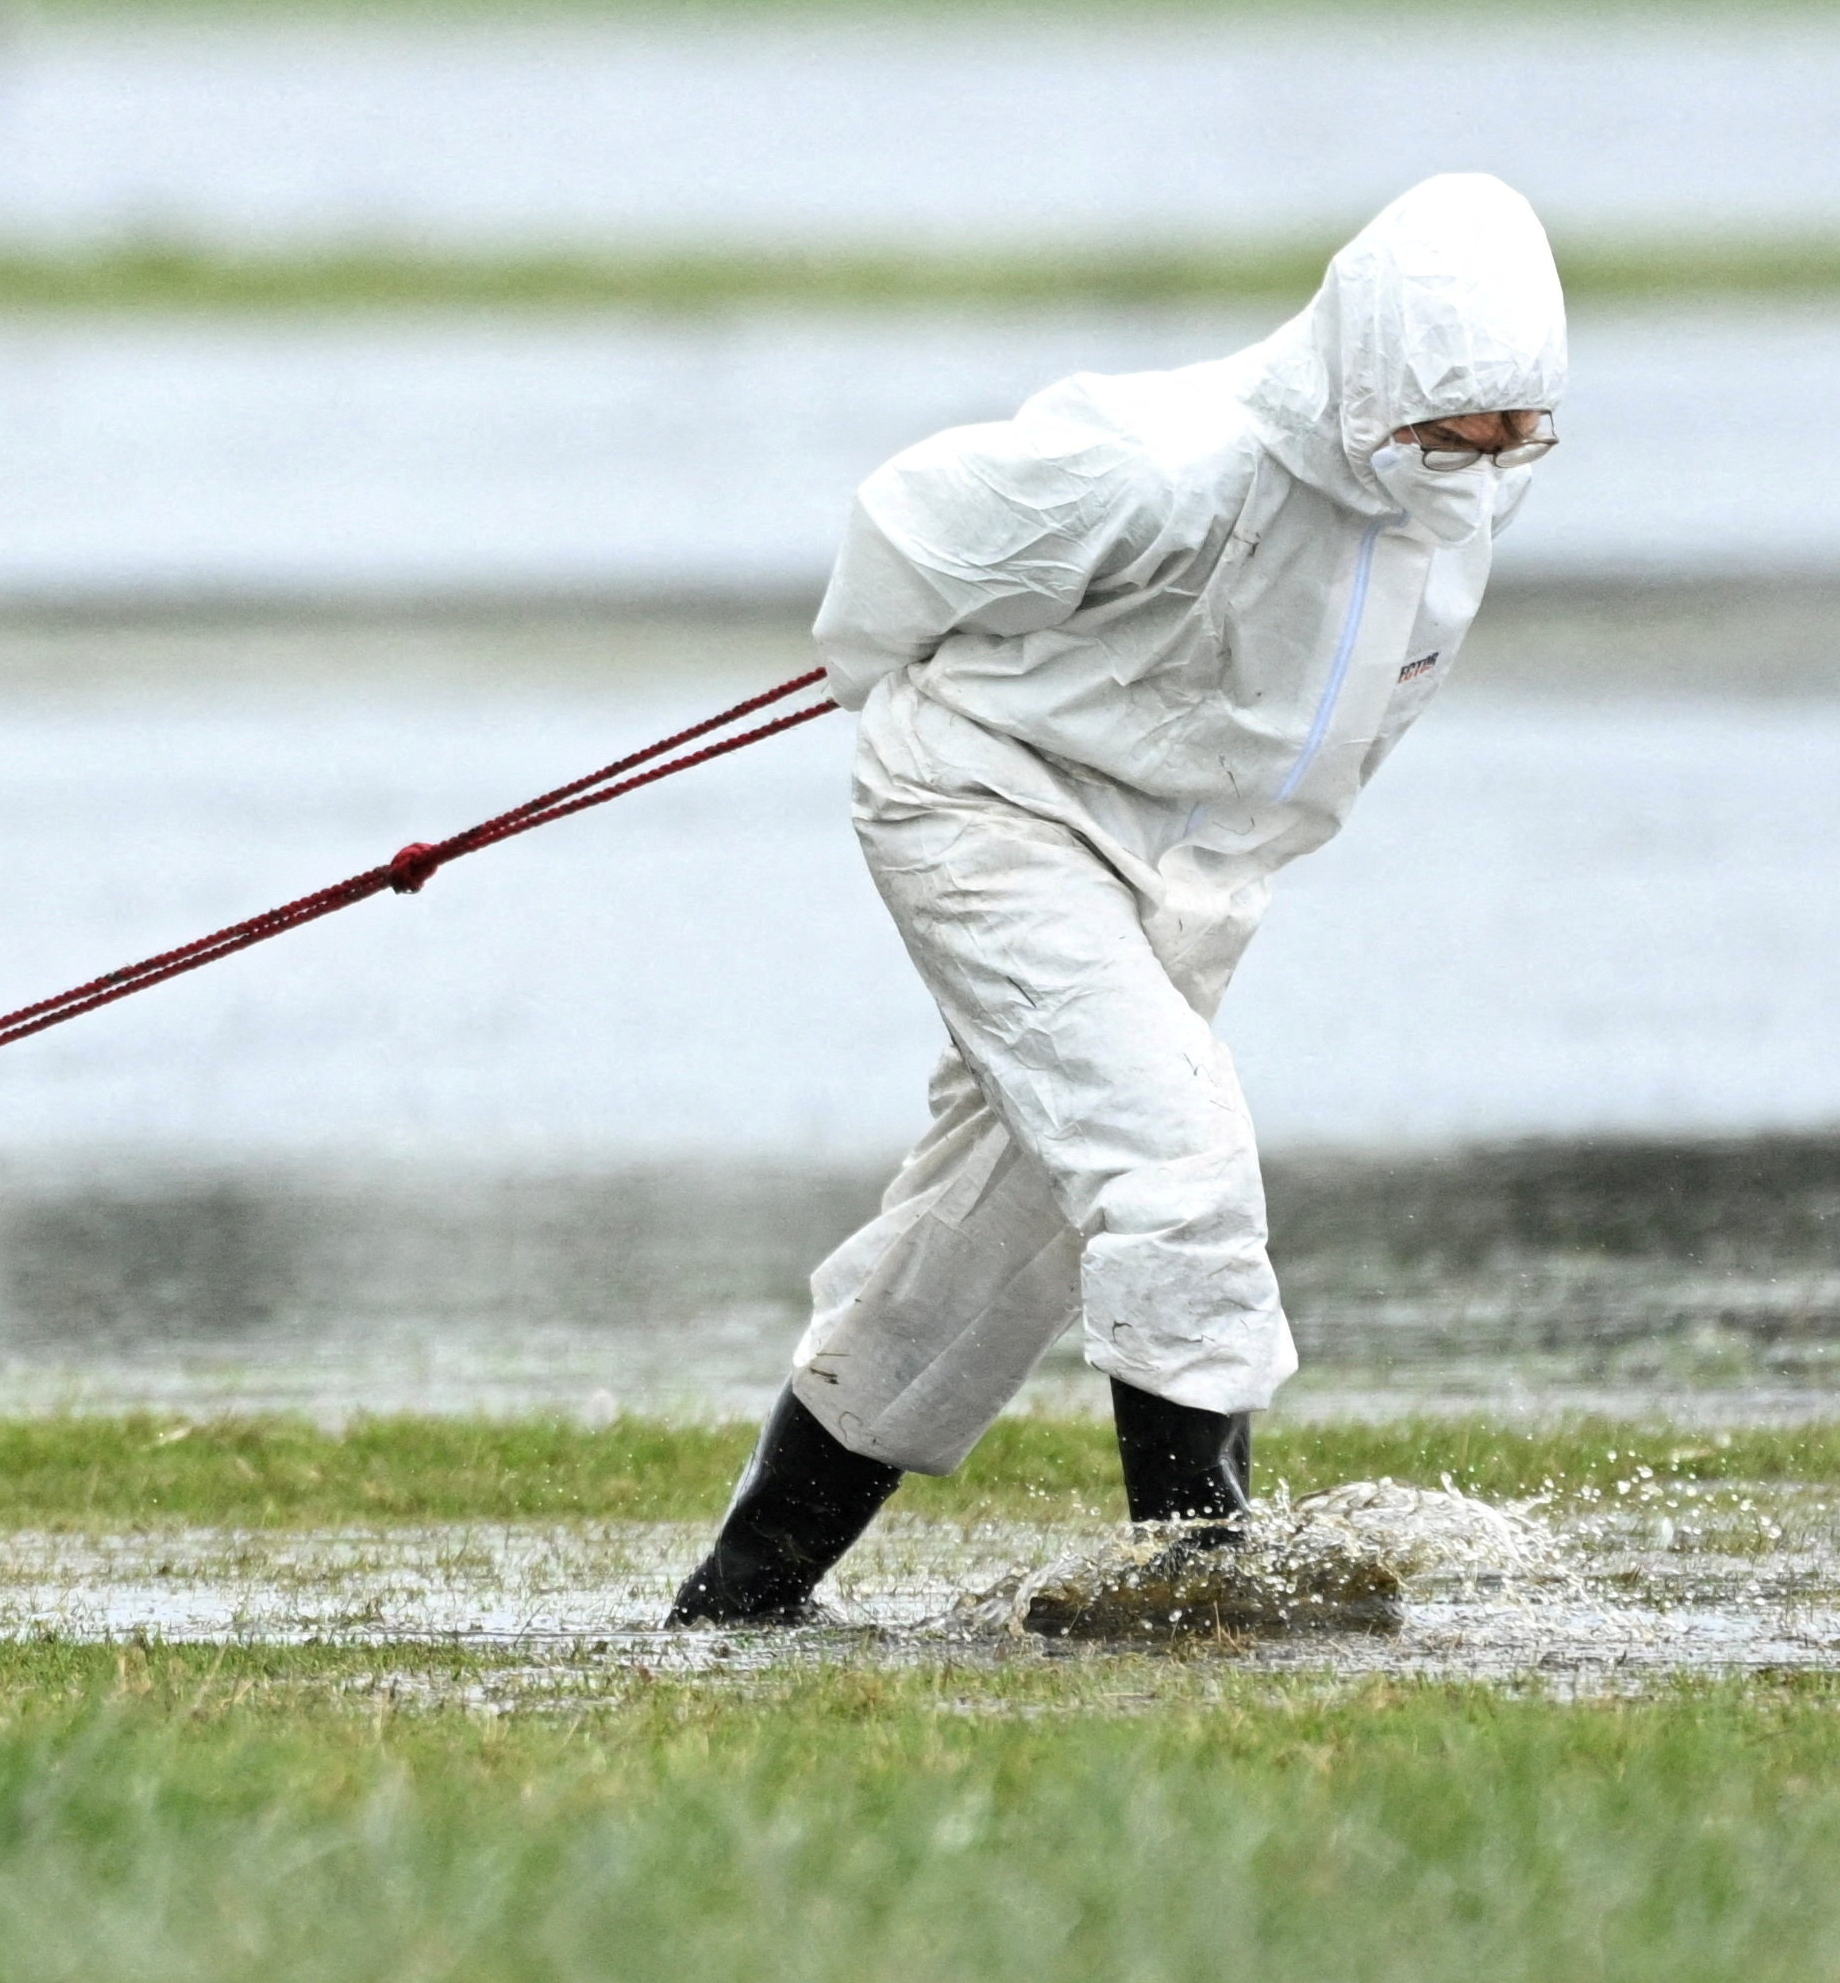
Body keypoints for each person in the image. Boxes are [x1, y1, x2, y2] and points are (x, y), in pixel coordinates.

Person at [666, 172, 1568, 1626]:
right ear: (1370, 374)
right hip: (987, 810)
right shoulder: (1170, 461)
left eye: (1508, 437)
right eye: (1444, 430)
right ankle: (1204, 1586)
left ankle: (743, 1594)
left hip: (1178, 879)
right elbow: (907, 536)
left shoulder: (1445, 518)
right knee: (1179, 1158)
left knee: (986, 1248)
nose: (1472, 463)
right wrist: (874, 670)